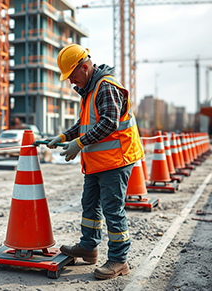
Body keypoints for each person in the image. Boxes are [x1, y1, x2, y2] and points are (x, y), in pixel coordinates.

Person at [46, 44, 144, 280]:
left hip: (116, 160)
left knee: (113, 210)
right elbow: (85, 124)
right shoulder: (90, 90)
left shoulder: (105, 87)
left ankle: (119, 261)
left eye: (72, 75)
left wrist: (79, 144)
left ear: (85, 67)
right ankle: (89, 247)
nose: (71, 82)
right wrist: (64, 137)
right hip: (98, 162)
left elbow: (109, 123)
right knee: (89, 205)